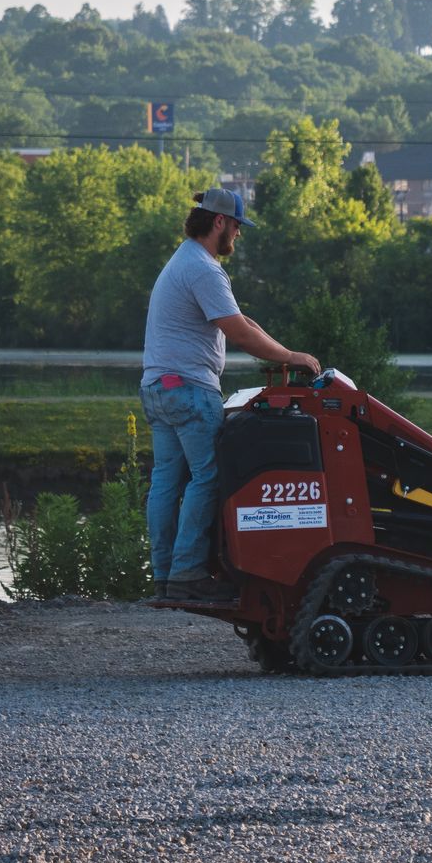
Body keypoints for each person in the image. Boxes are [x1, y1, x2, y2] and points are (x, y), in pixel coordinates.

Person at [140, 188, 319, 602]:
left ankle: (164, 575)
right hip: (188, 388)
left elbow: (245, 321)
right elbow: (238, 334)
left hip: (157, 387)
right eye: (237, 226)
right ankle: (188, 575)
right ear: (219, 222)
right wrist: (292, 356)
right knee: (210, 475)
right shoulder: (203, 268)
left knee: (166, 481)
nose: (238, 235)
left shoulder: (183, 260)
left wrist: (285, 354)